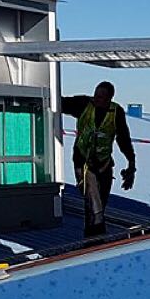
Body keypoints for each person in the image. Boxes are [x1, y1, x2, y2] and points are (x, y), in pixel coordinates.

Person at [60, 80, 137, 239]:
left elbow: (123, 139)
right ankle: (95, 238)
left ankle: (92, 237)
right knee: (93, 202)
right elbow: (60, 102)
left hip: (104, 164)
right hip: (83, 162)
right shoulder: (83, 104)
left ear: (110, 99)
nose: (97, 99)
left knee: (100, 202)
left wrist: (131, 164)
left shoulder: (116, 112)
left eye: (101, 97)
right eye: (96, 95)